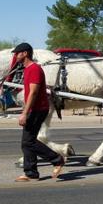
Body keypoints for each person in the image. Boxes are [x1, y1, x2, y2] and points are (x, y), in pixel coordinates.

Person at [11, 43, 65, 182]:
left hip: (37, 109)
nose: (15, 56)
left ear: (25, 53)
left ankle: (57, 159)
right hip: (35, 108)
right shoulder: (27, 69)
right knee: (27, 142)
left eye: (17, 53)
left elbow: (33, 92)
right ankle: (31, 173)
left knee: (28, 142)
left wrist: (24, 112)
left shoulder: (34, 69)